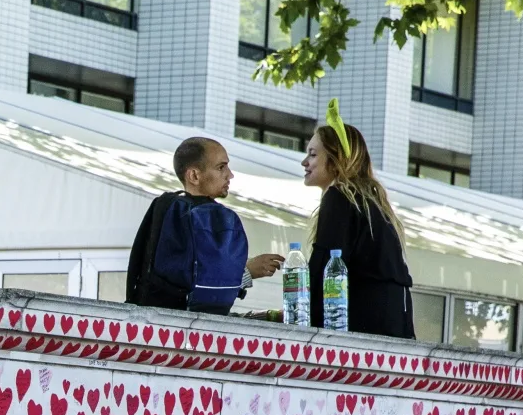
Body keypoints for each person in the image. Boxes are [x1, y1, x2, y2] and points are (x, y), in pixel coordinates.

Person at [126, 136, 284, 313]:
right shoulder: (206, 216)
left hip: (155, 322)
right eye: (221, 167)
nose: (230, 174)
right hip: (184, 329)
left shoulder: (167, 207)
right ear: (194, 175)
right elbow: (204, 285)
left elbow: (189, 269)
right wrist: (247, 271)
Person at [302, 111, 415, 337]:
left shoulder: (339, 196)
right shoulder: (372, 202)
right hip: (394, 327)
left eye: (313, 155)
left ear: (335, 160)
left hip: (362, 328)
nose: (304, 162)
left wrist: (301, 322)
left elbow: (324, 268)